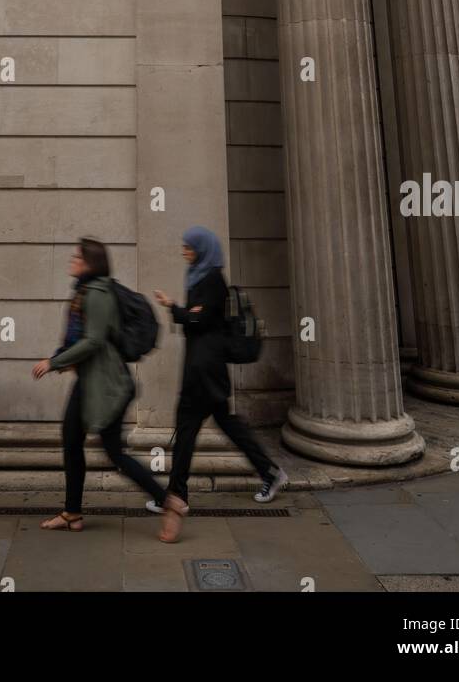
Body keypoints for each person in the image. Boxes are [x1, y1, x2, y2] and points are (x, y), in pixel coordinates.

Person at [154, 226, 287, 544]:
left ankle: (178, 495)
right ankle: (267, 473)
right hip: (202, 368)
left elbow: (198, 320)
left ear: (202, 249)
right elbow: (196, 319)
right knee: (217, 425)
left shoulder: (212, 280)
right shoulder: (200, 276)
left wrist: (173, 307)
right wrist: (183, 312)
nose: (184, 250)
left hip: (205, 370)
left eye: (188, 246)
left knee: (195, 426)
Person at [32, 238, 165, 531]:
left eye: (77, 257)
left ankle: (168, 501)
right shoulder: (84, 291)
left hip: (107, 385)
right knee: (71, 441)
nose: (72, 261)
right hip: (90, 382)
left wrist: (53, 362)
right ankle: (72, 513)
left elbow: (93, 340)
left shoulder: (97, 293)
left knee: (114, 453)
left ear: (90, 263)